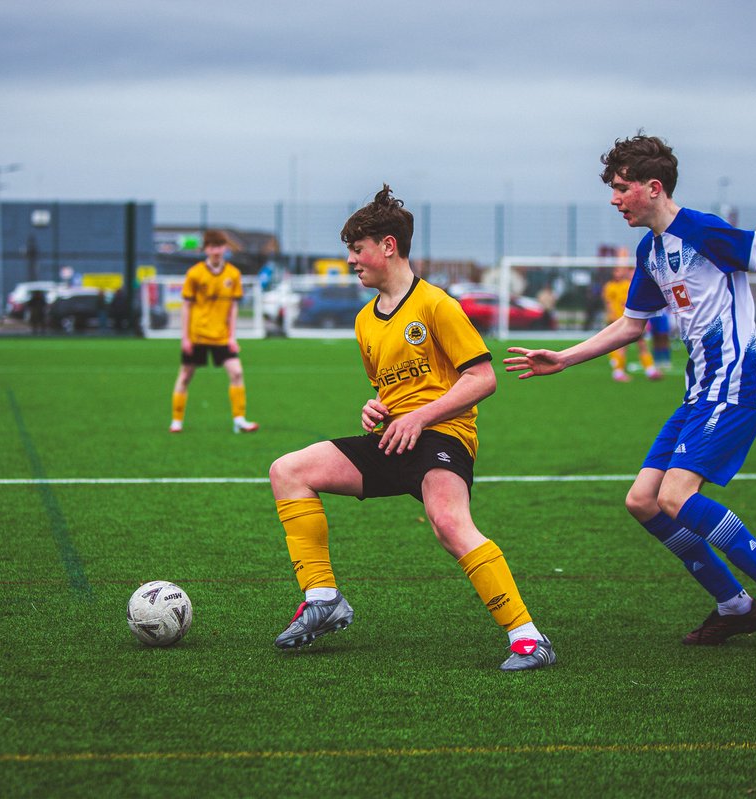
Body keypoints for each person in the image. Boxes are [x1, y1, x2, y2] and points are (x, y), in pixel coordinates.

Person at [505, 134, 756, 655]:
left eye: (622, 189)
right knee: (643, 501)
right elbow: (631, 326)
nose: (615, 200)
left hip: (734, 385)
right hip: (698, 394)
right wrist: (565, 359)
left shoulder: (704, 230)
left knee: (676, 496)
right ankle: (736, 606)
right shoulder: (651, 251)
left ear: (653, 187)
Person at [267, 185, 555, 671]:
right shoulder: (364, 321)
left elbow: (483, 378)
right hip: (394, 438)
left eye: (357, 251)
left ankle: (529, 638)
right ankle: (323, 599)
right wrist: (375, 407)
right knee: (288, 471)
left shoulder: (436, 304)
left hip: (442, 438)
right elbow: (390, 388)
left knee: (449, 524)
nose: (352, 262)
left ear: (388, 246)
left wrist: (422, 416)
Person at [169, 230, 258, 434]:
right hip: (197, 334)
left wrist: (232, 336)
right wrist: (185, 337)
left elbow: (233, 308)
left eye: (219, 246)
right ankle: (176, 421)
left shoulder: (233, 274)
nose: (216, 250)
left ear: (225, 248)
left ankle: (239, 419)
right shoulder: (194, 273)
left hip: (221, 337)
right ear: (205, 249)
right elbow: (186, 306)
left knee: (237, 372)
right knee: (184, 376)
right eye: (211, 246)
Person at [602, 264, 661, 382]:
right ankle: (618, 371)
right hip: (619, 321)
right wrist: (612, 317)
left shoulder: (628, 285)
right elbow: (608, 303)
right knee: (622, 346)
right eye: (616, 271)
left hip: (632, 320)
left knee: (642, 345)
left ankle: (650, 370)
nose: (618, 273)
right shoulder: (610, 286)